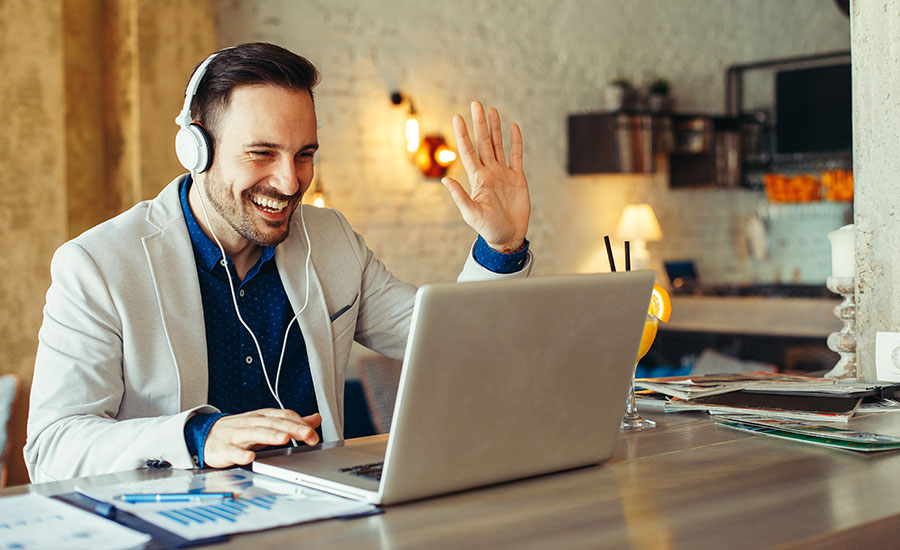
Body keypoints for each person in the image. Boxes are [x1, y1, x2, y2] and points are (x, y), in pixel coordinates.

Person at [24, 42, 532, 482]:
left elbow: (453, 344)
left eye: (304, 154)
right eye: (262, 154)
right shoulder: (95, 265)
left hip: (322, 520)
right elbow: (53, 447)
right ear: (196, 149)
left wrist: (501, 245)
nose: (290, 183)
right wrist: (199, 436)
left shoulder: (332, 240)